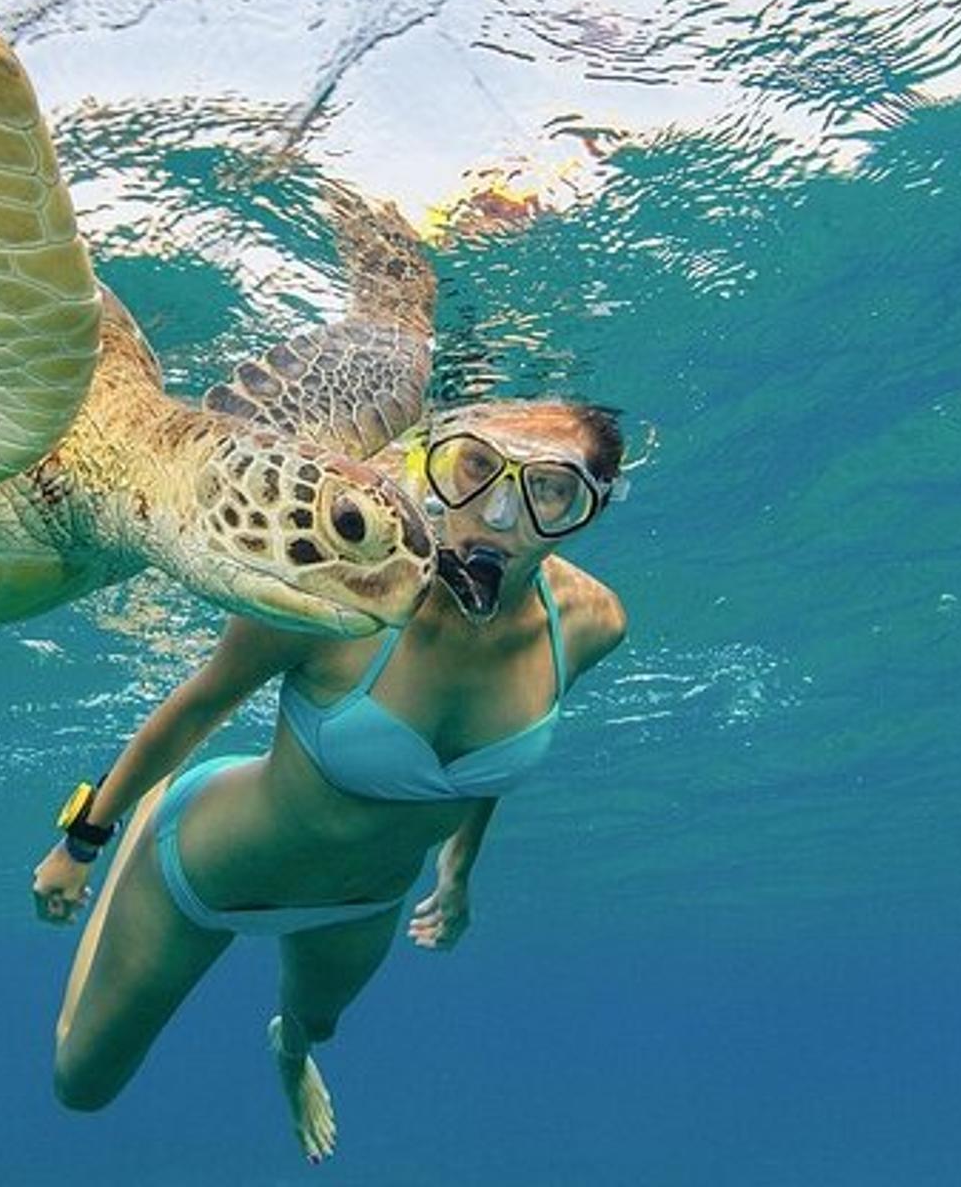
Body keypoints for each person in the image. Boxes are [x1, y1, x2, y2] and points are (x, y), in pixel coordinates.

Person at [31, 398, 630, 1161]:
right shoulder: (339, 583)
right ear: (439, 467)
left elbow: (488, 764)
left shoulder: (590, 624)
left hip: (364, 905)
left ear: (589, 509)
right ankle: (155, 812)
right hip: (207, 870)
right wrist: (81, 843)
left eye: (549, 490)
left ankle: (289, 1056)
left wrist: (458, 870)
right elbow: (194, 708)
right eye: (477, 468)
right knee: (80, 1085)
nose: (500, 513)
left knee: (314, 1027)